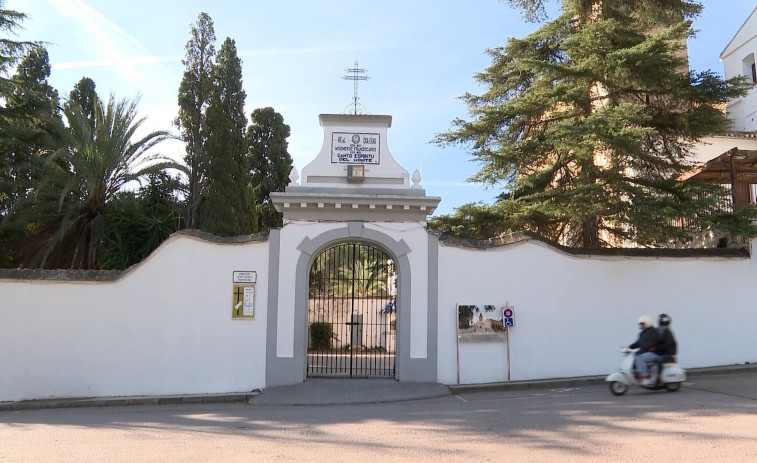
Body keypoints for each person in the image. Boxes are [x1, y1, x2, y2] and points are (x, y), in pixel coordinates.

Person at [628, 315, 660, 386]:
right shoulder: (642, 333)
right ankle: (637, 373)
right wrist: (629, 347)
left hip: (654, 353)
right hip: (646, 352)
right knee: (634, 355)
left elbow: (651, 343)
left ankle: (646, 377)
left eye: (642, 324)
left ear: (647, 323)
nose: (641, 326)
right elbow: (638, 343)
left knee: (641, 358)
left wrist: (643, 347)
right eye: (640, 324)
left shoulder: (653, 332)